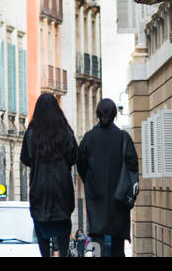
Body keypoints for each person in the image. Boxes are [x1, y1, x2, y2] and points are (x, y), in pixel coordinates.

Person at [77, 98, 139, 259]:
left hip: (96, 196)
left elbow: (80, 165)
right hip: (119, 197)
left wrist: (90, 182)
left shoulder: (89, 138)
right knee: (118, 245)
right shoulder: (123, 137)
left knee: (97, 240)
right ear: (115, 115)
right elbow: (133, 165)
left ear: (97, 114)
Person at [20, 92, 79, 257]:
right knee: (63, 228)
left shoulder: (31, 134)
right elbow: (74, 156)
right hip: (62, 188)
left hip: (40, 188)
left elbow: (25, 158)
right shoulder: (66, 132)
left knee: (42, 231)